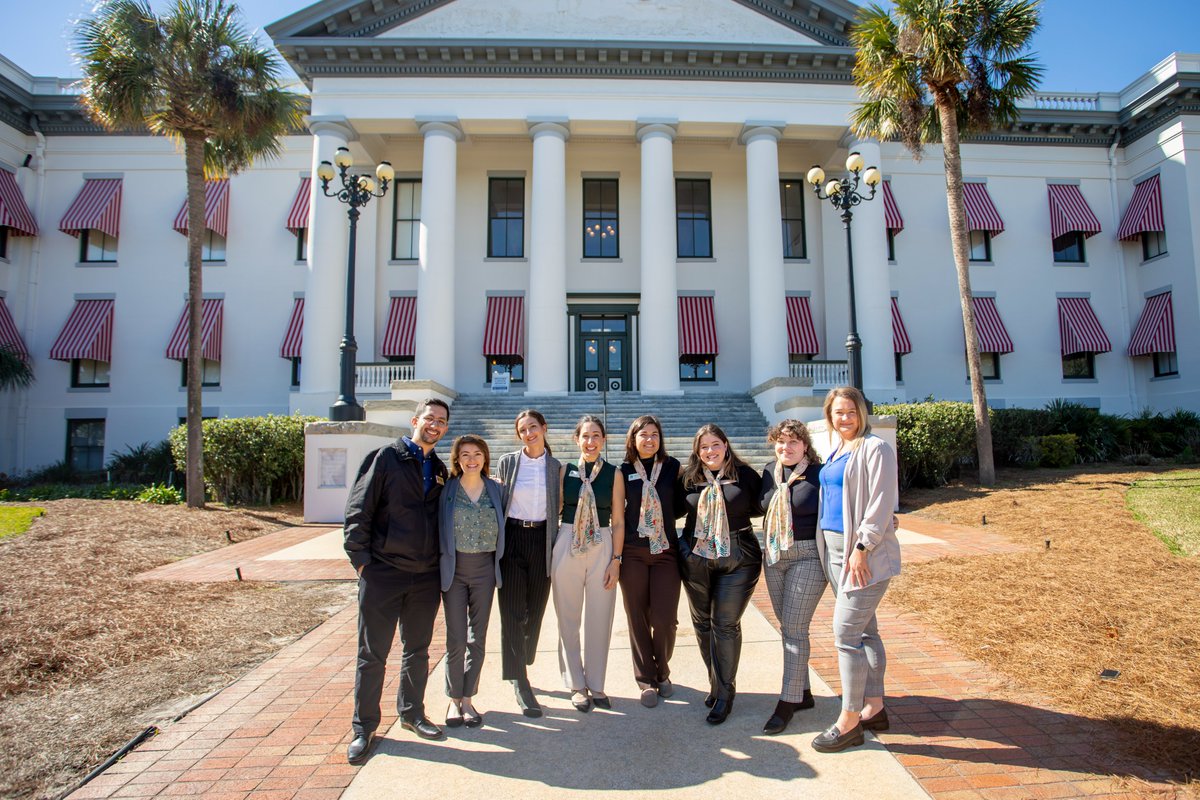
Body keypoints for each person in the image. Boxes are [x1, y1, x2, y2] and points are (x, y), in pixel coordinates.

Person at [343, 398, 451, 764]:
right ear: (415, 420)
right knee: (372, 655)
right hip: (383, 574)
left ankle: (412, 713)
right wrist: (362, 564)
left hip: (424, 578)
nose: (434, 425)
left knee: (417, 650)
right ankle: (364, 727)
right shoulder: (385, 457)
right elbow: (359, 511)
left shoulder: (439, 469)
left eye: (441, 421)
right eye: (429, 418)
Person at [811, 386, 901, 753]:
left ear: (861, 413)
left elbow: (881, 503)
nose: (844, 418)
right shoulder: (836, 448)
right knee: (867, 632)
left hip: (861, 554)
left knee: (846, 634)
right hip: (834, 551)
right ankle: (874, 708)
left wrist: (862, 548)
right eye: (837, 413)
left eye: (850, 411)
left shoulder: (875, 448)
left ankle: (849, 721)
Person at [678, 423, 763, 725]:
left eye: (715, 444)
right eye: (703, 447)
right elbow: (670, 508)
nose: (710, 451)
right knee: (702, 624)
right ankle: (716, 682)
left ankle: (725, 695)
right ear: (697, 451)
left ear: (726, 445)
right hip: (696, 555)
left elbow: (764, 505)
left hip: (738, 555)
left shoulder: (747, 476)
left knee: (724, 624)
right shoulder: (688, 478)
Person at [553, 415, 625, 712]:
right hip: (568, 538)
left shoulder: (614, 473)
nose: (591, 441)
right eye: (585, 436)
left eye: (596, 436)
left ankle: (596, 682)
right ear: (576, 439)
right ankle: (576, 684)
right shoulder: (564, 471)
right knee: (567, 617)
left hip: (602, 543)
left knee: (600, 616)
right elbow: (555, 508)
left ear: (603, 440)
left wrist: (616, 560)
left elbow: (619, 520)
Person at [759, 419, 824, 735]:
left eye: (793, 442)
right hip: (773, 556)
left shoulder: (818, 474)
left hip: (808, 555)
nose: (786, 448)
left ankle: (787, 702)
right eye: (781, 442)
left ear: (805, 446)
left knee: (796, 629)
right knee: (788, 627)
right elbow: (758, 505)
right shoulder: (770, 471)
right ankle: (805, 693)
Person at [496, 409, 562, 717]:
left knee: (535, 610)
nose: (528, 433)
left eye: (533, 427)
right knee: (511, 611)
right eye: (522, 429)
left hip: (542, 540)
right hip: (512, 539)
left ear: (544, 428)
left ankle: (523, 654)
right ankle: (520, 679)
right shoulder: (508, 462)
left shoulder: (555, 466)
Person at [438, 434, 506, 730]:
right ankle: (453, 699)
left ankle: (468, 698)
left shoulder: (496, 489)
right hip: (455, 569)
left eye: (477, 454)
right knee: (456, 637)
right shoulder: (447, 490)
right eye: (465, 454)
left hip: (484, 570)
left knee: (477, 637)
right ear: (457, 459)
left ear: (485, 458)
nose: (471, 459)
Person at [617, 415, 683, 708]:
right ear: (633, 439)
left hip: (665, 552)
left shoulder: (672, 468)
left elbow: (682, 506)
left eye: (655, 434)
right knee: (638, 619)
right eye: (643, 435)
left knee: (665, 620)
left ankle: (663, 670)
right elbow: (616, 516)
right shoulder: (622, 470)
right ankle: (646, 680)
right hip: (633, 552)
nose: (649, 440)